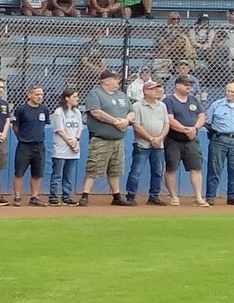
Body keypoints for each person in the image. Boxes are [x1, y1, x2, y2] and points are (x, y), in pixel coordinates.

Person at [82, 69, 134, 206]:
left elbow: (132, 112)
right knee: (93, 168)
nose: (118, 81)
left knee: (115, 169)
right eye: (115, 78)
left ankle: (116, 196)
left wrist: (126, 121)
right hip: (101, 139)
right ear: (106, 80)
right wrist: (115, 122)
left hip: (118, 140)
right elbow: (96, 112)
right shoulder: (96, 93)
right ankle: (85, 195)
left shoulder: (121, 95)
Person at [163, 76, 208, 207]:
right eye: (185, 84)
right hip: (174, 139)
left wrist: (195, 128)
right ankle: (173, 197)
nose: (188, 86)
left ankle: (198, 197)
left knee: (196, 168)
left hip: (191, 140)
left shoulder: (194, 100)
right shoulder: (169, 100)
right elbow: (170, 119)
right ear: (177, 86)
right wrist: (185, 130)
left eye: (190, 84)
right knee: (171, 168)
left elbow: (202, 116)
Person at [127, 80, 171, 205]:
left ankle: (154, 196)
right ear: (145, 91)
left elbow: (166, 124)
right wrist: (151, 139)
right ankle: (131, 196)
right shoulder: (137, 106)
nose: (157, 91)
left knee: (158, 171)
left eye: (157, 89)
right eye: (153, 89)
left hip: (159, 145)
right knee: (136, 171)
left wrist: (160, 138)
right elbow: (137, 126)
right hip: (142, 144)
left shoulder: (162, 105)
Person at [205, 81, 234, 206]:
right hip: (219, 139)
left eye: (232, 91)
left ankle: (232, 196)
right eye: (228, 91)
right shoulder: (216, 105)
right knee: (215, 168)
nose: (229, 93)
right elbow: (208, 122)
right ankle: (210, 196)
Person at [10, 84, 50, 206]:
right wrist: (22, 137)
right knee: (19, 172)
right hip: (24, 146)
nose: (39, 97)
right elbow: (15, 126)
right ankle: (17, 196)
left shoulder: (44, 109)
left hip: (39, 145)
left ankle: (34, 196)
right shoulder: (21, 109)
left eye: (41, 94)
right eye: (37, 94)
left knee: (38, 173)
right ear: (29, 95)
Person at [49, 89, 84, 206]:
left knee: (69, 175)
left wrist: (76, 140)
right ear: (67, 98)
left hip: (74, 148)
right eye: (74, 97)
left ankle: (67, 196)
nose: (77, 99)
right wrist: (71, 142)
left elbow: (80, 129)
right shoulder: (59, 112)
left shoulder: (77, 112)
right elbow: (60, 130)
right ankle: (53, 197)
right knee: (57, 174)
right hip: (61, 148)